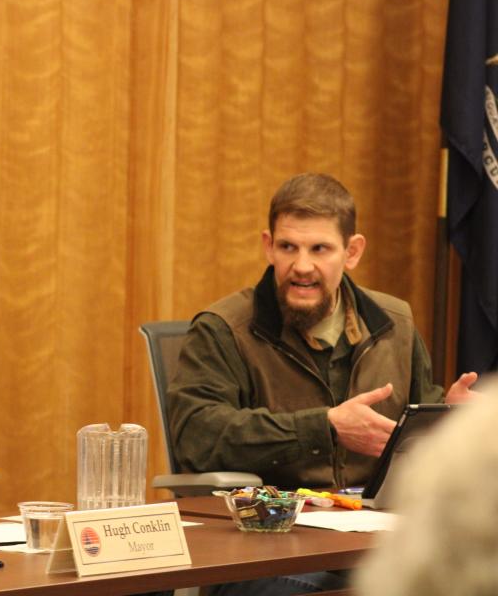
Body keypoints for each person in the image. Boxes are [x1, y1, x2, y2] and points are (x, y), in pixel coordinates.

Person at [167, 173, 479, 595]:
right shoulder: (224, 329)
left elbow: (415, 441)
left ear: (352, 252)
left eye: (320, 249)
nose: (302, 266)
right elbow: (197, 435)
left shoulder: (395, 324)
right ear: (267, 245)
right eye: (287, 247)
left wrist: (451, 421)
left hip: (373, 537)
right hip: (262, 543)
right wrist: (324, 427)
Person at [354, 382, 498, 596]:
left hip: (379, 518)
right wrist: (323, 426)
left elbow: (425, 404)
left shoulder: (405, 346)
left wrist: (446, 416)